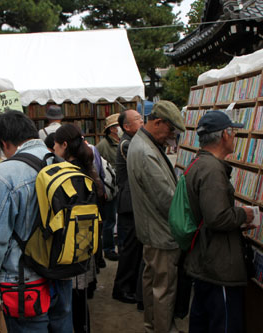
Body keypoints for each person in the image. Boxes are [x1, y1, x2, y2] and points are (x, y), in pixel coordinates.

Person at [0, 110, 73, 332]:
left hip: (25, 285)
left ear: (4, 143)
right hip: (62, 274)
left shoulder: (5, 175)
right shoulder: (60, 163)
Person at [184, 110, 254, 332]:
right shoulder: (213, 170)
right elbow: (217, 218)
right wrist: (244, 214)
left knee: (201, 320)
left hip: (204, 259)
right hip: (218, 264)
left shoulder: (198, 163)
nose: (234, 137)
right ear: (224, 135)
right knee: (222, 323)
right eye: (233, 132)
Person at [126, 100, 185, 332]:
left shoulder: (142, 144)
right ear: (158, 122)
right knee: (164, 289)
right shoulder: (146, 151)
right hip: (161, 233)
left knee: (153, 284)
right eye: (170, 130)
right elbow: (167, 200)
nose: (170, 137)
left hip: (153, 231)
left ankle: (153, 326)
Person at [54, 123, 103, 333]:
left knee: (74, 305)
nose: (54, 150)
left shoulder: (66, 175)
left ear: (64, 145)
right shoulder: (86, 169)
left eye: (55, 146)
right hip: (85, 243)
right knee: (80, 302)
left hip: (71, 248)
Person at [112, 109, 144, 305]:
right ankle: (122, 289)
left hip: (131, 202)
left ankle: (128, 287)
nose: (142, 122)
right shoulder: (126, 144)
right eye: (138, 120)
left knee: (134, 247)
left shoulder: (131, 142)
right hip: (128, 203)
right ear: (126, 126)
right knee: (130, 248)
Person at [96, 113, 120, 261]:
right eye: (118, 126)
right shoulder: (102, 146)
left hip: (119, 187)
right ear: (111, 129)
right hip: (110, 188)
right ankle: (108, 249)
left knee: (115, 219)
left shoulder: (121, 142)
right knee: (109, 220)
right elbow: (97, 168)